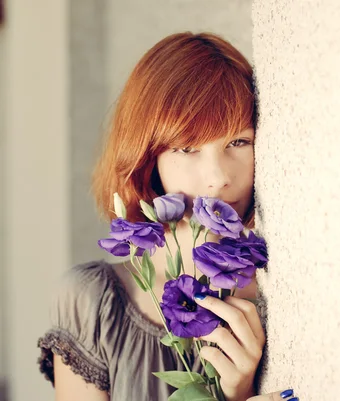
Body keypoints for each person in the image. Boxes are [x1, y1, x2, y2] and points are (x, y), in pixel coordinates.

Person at [36, 32, 298, 401]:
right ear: (147, 158)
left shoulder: (282, 291)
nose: (218, 177)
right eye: (187, 148)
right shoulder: (96, 302)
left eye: (238, 142)